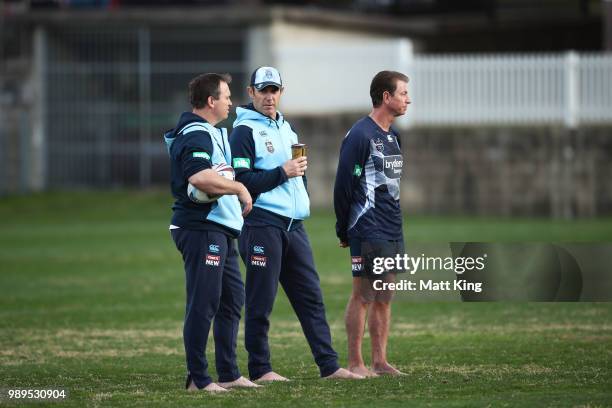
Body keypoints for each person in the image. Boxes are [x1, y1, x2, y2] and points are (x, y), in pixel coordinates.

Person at [229, 66, 362, 382]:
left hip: (294, 227)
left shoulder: (287, 129)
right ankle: (260, 370)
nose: (269, 96)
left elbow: (295, 172)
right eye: (263, 90)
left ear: (280, 93)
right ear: (251, 93)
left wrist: (298, 186)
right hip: (261, 224)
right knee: (261, 302)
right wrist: (284, 172)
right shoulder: (244, 132)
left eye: (274, 90)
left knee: (311, 298)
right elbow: (241, 180)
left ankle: (329, 366)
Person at [164, 73, 258, 392]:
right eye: (227, 96)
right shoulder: (195, 133)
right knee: (204, 303)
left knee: (232, 300)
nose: (232, 101)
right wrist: (240, 188)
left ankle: (229, 373)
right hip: (201, 229)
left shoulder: (213, 131)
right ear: (211, 101)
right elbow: (199, 177)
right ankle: (197, 379)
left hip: (220, 229)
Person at [333, 70, 411, 377]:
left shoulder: (393, 135)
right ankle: (356, 362)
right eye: (403, 93)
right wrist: (343, 228)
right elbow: (343, 186)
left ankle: (380, 361)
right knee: (364, 294)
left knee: (385, 294)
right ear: (386, 97)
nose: (408, 99)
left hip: (392, 226)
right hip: (367, 226)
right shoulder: (360, 135)